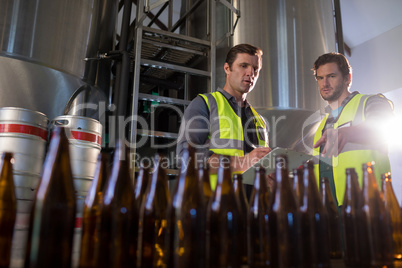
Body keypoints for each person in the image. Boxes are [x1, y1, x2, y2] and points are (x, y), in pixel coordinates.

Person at [176, 43, 272, 192]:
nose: (250, 73)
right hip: (214, 206)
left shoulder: (260, 120)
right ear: (227, 68)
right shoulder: (204, 104)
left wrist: (268, 177)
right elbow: (185, 157)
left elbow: (257, 166)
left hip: (253, 208)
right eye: (244, 66)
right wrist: (242, 162)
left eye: (255, 69)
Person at [312, 52, 393, 206]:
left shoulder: (370, 101)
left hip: (369, 203)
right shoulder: (321, 126)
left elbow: (382, 125)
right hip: (329, 209)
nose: (325, 83)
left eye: (332, 76)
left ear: (347, 78)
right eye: (320, 78)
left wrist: (348, 132)